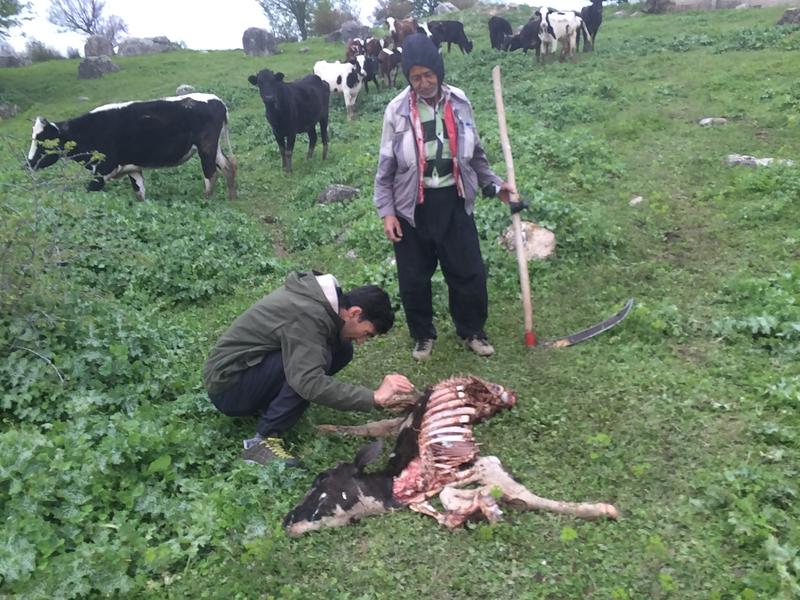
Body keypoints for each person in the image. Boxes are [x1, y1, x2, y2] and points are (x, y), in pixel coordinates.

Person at [373, 33, 516, 361]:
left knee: (468, 270)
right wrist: (387, 212)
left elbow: (476, 155)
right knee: (413, 277)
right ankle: (423, 335)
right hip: (412, 207)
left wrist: (494, 185)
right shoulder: (396, 110)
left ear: (439, 71)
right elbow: (385, 169)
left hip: (454, 199)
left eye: (428, 75)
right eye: (414, 77)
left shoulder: (459, 101)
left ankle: (472, 331)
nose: (422, 83)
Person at [203, 271, 415, 466]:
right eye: (366, 333)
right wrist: (373, 397)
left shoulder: (323, 304)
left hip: (244, 371)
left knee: (341, 350)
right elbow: (308, 382)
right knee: (307, 373)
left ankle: (273, 405)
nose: (361, 341)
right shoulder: (310, 313)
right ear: (354, 312)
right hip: (228, 387)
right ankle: (261, 442)